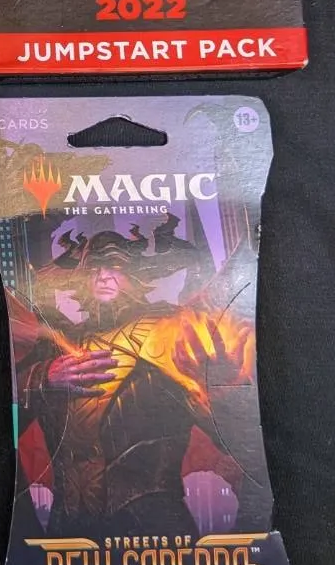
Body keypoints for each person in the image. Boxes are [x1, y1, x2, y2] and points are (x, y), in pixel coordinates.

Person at [16, 226, 252, 537]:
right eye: (94, 268)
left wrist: (220, 387)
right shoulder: (57, 346)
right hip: (70, 529)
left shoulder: (167, 329)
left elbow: (236, 437)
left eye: (114, 266)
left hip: (152, 527)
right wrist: (43, 377)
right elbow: (4, 418)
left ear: (134, 274)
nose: (103, 277)